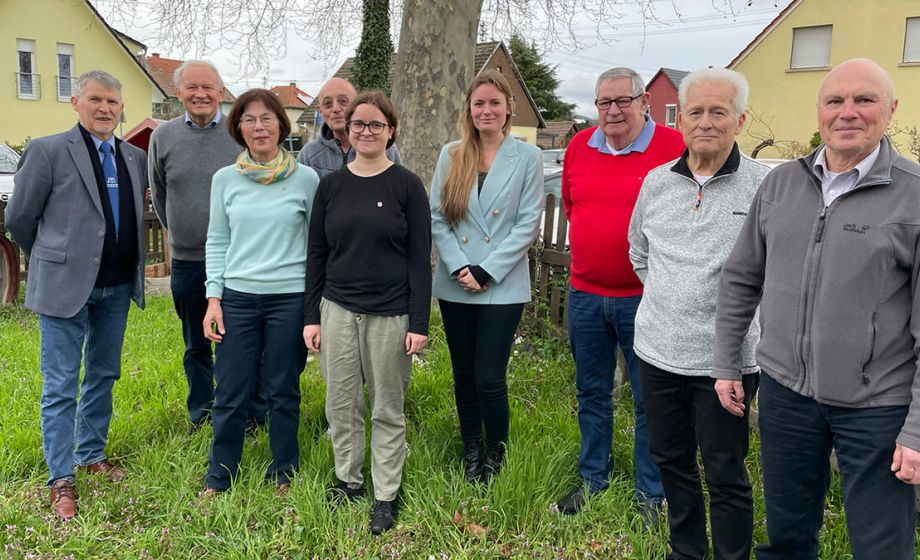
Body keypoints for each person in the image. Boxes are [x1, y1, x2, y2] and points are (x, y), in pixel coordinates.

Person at [713, 58, 920, 559]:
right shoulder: (782, 184)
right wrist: (725, 364)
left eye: (864, 100)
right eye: (835, 101)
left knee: (881, 547)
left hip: (878, 407)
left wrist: (916, 428)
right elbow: (741, 277)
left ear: (890, 109)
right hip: (787, 398)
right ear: (820, 111)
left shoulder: (914, 195)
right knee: (787, 537)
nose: (848, 112)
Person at [628, 68, 768, 559]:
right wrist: (671, 300)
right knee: (672, 461)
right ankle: (685, 550)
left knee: (726, 469)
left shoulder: (764, 188)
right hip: (657, 353)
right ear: (681, 120)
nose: (705, 122)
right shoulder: (655, 183)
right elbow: (638, 253)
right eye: (696, 112)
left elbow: (780, 270)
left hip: (726, 363)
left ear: (739, 120)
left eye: (718, 112)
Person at [5, 70, 147, 520]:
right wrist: (52, 258)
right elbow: (21, 219)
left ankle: (92, 454)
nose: (105, 108)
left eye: (113, 101)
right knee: (61, 386)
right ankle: (61, 478)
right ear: (75, 103)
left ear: (122, 108)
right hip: (64, 287)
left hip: (118, 285)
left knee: (103, 375)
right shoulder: (47, 151)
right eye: (96, 99)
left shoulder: (132, 156)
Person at [556, 67, 684, 521]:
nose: (612, 111)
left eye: (622, 101)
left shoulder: (672, 148)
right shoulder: (578, 146)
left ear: (644, 102)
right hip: (586, 293)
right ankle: (594, 479)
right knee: (592, 392)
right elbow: (573, 206)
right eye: (603, 102)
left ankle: (651, 494)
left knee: (650, 398)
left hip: (645, 296)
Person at [303, 91, 431, 535]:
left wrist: (419, 323)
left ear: (390, 130)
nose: (367, 132)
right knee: (341, 403)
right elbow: (316, 252)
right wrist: (311, 316)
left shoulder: (407, 185)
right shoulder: (332, 186)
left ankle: (385, 493)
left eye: (377, 125)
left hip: (390, 315)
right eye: (359, 124)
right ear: (347, 129)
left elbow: (419, 258)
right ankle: (348, 479)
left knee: (387, 408)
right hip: (337, 309)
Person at [201, 89, 319, 495]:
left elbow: (315, 246)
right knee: (230, 391)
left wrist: (312, 309)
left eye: (267, 118)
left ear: (281, 126)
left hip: (289, 298)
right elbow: (217, 241)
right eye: (249, 119)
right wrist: (213, 299)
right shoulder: (224, 180)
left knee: (282, 389)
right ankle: (220, 474)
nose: (259, 126)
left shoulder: (306, 179)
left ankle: (283, 470)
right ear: (239, 128)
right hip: (237, 298)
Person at [429, 70, 543, 484]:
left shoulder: (527, 157)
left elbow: (529, 223)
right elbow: (438, 216)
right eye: (479, 103)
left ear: (509, 107)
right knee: (462, 373)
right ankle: (471, 448)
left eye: (495, 102)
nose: (487, 110)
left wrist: (486, 270)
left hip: (503, 283)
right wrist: (461, 266)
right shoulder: (452, 154)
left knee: (490, 376)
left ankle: (497, 450)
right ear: (469, 109)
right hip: (456, 282)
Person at [148, 60, 267, 434]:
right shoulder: (162, 137)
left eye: (208, 88)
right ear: (178, 93)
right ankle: (202, 412)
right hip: (187, 262)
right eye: (192, 88)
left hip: (239, 261)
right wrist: (181, 234)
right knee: (196, 342)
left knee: (243, 342)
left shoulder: (238, 134)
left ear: (220, 92)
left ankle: (251, 412)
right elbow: (161, 195)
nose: (200, 95)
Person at [297, 77, 401, 178]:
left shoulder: (386, 149)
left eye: (343, 101)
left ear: (356, 105)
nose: (336, 109)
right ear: (320, 111)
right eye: (328, 103)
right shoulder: (309, 155)